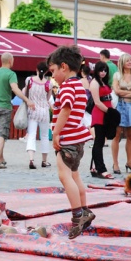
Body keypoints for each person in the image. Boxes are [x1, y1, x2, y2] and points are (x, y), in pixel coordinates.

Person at [47, 45, 94, 240]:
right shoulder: (81, 87)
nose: (53, 76)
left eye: (53, 71)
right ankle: (84, 209)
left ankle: (77, 215)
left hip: (68, 139)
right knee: (75, 176)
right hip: (78, 140)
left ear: (63, 67)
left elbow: (65, 109)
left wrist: (56, 133)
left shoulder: (67, 87)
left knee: (64, 176)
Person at [0, 52, 35, 169]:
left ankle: (0, 157)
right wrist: (26, 100)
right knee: (2, 134)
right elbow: (15, 89)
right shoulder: (11, 74)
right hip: (5, 107)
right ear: (10, 61)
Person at [111, 53, 131, 174]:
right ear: (122, 62)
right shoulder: (117, 75)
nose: (130, 62)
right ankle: (115, 163)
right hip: (120, 106)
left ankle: (129, 162)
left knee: (130, 136)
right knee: (116, 135)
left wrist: (125, 93)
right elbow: (116, 91)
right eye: (127, 60)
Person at [23, 62, 52, 169]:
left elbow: (26, 93)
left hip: (32, 110)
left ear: (36, 69)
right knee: (44, 136)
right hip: (44, 112)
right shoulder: (49, 84)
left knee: (32, 135)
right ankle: (44, 161)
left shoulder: (29, 80)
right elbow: (47, 99)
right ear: (46, 71)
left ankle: (31, 159)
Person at [89, 61, 114, 179]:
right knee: (99, 141)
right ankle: (100, 168)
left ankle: (94, 167)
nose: (103, 72)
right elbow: (97, 102)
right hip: (100, 113)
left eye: (105, 70)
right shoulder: (94, 83)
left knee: (100, 141)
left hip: (106, 111)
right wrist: (110, 112)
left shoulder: (103, 82)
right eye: (101, 70)